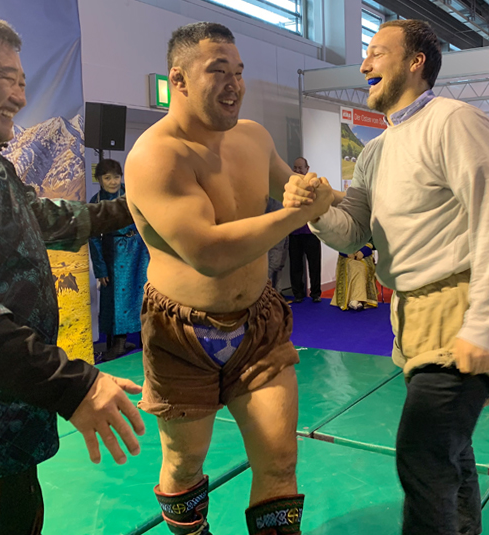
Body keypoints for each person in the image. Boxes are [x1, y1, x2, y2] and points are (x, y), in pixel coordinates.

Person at [285, 19, 489, 535]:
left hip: (461, 307)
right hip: (411, 314)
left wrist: (484, 324)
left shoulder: (455, 121)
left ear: (416, 62)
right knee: (450, 452)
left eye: (376, 52)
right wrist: (317, 208)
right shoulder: (376, 150)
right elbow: (352, 233)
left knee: (422, 454)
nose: (363, 65)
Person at [0, 10, 145, 534]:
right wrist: (71, 386)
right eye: (5, 77)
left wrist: (142, 207)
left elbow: (51, 218)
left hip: (2, 438)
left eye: (23, 82)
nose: (20, 97)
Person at [123, 22, 332, 535]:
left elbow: (298, 189)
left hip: (258, 325)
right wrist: (296, 214)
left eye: (238, 72)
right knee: (183, 465)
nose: (234, 84)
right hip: (180, 334)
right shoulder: (156, 155)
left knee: (280, 461)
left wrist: (323, 194)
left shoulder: (255, 137)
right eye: (218, 71)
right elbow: (209, 253)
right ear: (178, 79)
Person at [89, 158, 150, 361]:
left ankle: (147, 342)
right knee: (116, 298)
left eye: (116, 177)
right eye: (107, 178)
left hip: (139, 250)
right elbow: (93, 238)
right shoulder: (97, 202)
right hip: (114, 253)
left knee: (143, 295)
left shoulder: (131, 195)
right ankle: (117, 344)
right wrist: (100, 269)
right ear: (99, 179)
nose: (113, 182)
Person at [288, 156, 324, 303]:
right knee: (295, 265)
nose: (297, 170)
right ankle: (298, 294)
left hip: (311, 232)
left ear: (307, 169)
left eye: (300, 168)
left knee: (314, 265)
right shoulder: (289, 186)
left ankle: (316, 293)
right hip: (294, 232)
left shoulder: (314, 185)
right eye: (295, 168)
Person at [330, 243, 378, 311]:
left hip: (365, 256)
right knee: (353, 266)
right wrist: (347, 253)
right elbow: (338, 244)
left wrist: (363, 251)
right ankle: (356, 299)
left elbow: (373, 242)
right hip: (347, 256)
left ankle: (355, 299)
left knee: (360, 267)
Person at [266, 197, 289, 290]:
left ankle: (277, 292)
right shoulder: (269, 199)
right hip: (273, 233)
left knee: (279, 265)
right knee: (272, 265)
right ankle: (267, 292)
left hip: (284, 232)